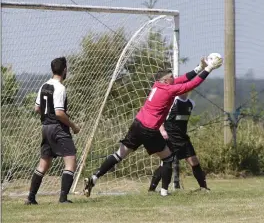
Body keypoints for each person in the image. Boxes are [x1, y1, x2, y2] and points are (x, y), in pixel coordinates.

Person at [84, 56, 222, 197]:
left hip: (137, 124)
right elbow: (190, 85)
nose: (174, 78)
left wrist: (199, 67)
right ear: (165, 80)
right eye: (171, 77)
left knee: (119, 154)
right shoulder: (168, 90)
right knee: (168, 158)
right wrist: (208, 69)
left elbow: (183, 79)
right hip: (149, 129)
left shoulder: (157, 85)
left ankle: (94, 178)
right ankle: (164, 193)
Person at [25, 57, 80, 205]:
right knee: (70, 161)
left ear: (52, 70)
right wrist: (73, 126)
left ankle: (31, 197)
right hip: (58, 128)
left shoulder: (43, 85)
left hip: (45, 128)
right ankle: (63, 198)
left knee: (43, 164)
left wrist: (46, 116)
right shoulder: (60, 88)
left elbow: (37, 108)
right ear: (65, 70)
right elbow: (59, 113)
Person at [148, 91, 210, 193]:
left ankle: (203, 188)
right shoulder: (172, 102)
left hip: (183, 138)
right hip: (170, 138)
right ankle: (152, 189)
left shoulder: (191, 103)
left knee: (194, 161)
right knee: (166, 163)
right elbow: (159, 117)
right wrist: (162, 130)